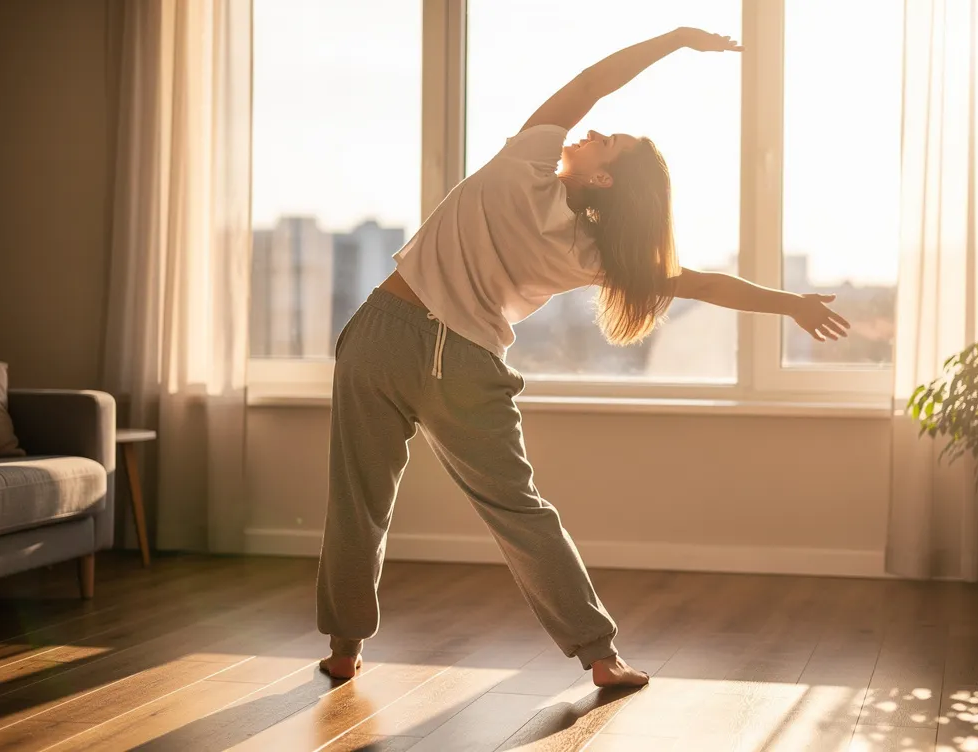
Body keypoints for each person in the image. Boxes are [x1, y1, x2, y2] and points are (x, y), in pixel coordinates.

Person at [316, 26, 849, 688]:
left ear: (602, 176)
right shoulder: (596, 255)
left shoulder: (525, 160)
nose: (590, 130)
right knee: (519, 510)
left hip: (380, 334)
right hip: (460, 366)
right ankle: (601, 657)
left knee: (358, 501)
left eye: (606, 141)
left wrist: (676, 39)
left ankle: (345, 647)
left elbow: (594, 80)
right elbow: (704, 284)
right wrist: (790, 303)